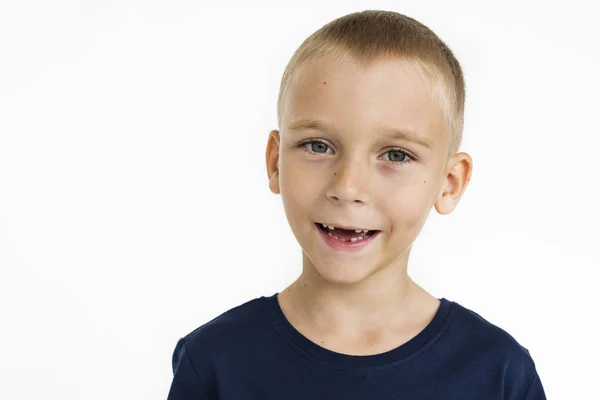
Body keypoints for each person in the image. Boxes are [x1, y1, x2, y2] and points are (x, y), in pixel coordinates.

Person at [167, 9, 546, 399]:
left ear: (449, 184)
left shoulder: (498, 373)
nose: (348, 188)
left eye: (396, 155)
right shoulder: (215, 361)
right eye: (318, 146)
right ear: (275, 162)